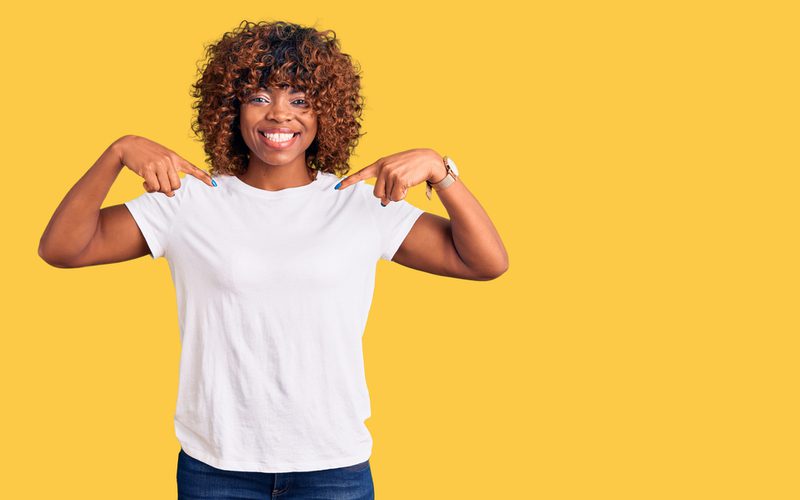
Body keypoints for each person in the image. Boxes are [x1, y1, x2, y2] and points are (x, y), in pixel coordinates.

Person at [38, 19, 508, 499]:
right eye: (260, 97)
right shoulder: (189, 200)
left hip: (334, 468)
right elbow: (64, 248)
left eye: (300, 100)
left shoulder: (361, 204)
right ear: (231, 107)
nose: (280, 115)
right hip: (216, 468)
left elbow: (484, 262)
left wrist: (441, 170)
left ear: (327, 111)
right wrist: (116, 153)